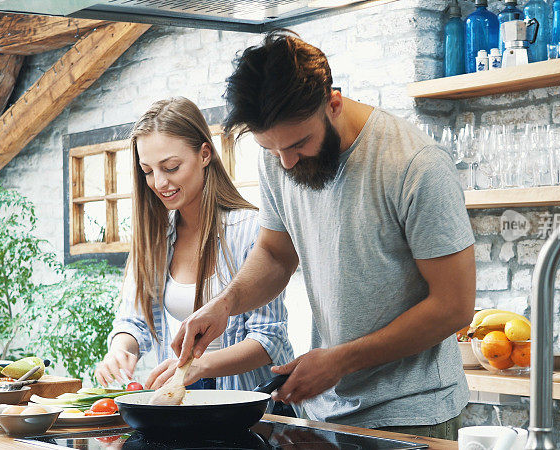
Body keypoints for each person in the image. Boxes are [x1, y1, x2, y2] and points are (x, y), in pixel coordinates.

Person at [171, 31, 476, 439]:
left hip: (413, 415)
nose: (287, 162)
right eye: (271, 149)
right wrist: (225, 304)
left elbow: (453, 306)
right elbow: (277, 255)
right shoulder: (279, 157)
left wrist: (339, 361)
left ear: (333, 103)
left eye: (299, 144)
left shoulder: (415, 165)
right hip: (325, 411)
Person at [95, 97, 296, 415]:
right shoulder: (155, 237)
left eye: (171, 167)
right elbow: (133, 320)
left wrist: (198, 366)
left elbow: (267, 339)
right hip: (186, 399)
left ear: (205, 154)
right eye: (148, 171)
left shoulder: (251, 230)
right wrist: (120, 349)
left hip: (253, 407)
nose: (160, 183)